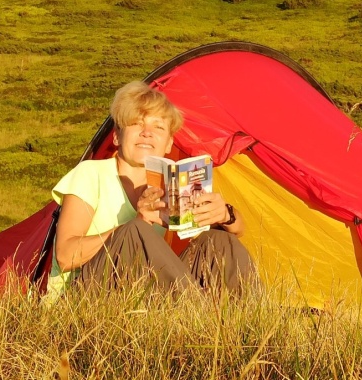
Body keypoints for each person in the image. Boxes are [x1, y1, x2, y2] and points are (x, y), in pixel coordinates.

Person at [45, 81, 254, 298]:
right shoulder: (91, 174)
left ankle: (244, 324)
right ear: (117, 136)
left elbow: (238, 230)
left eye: (158, 127)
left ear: (168, 144)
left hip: (142, 294)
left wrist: (225, 214)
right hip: (85, 295)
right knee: (135, 231)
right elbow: (64, 255)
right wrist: (138, 223)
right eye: (136, 123)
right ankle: (193, 316)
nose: (147, 133)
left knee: (220, 241)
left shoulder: (171, 185)